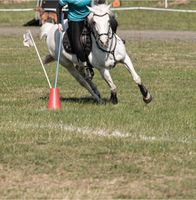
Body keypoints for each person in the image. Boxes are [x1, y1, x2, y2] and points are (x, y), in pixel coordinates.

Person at [56, 0, 93, 79]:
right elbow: (59, 7)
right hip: (75, 20)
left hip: (89, 16)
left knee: (110, 23)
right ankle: (86, 67)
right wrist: (59, 22)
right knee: (77, 45)